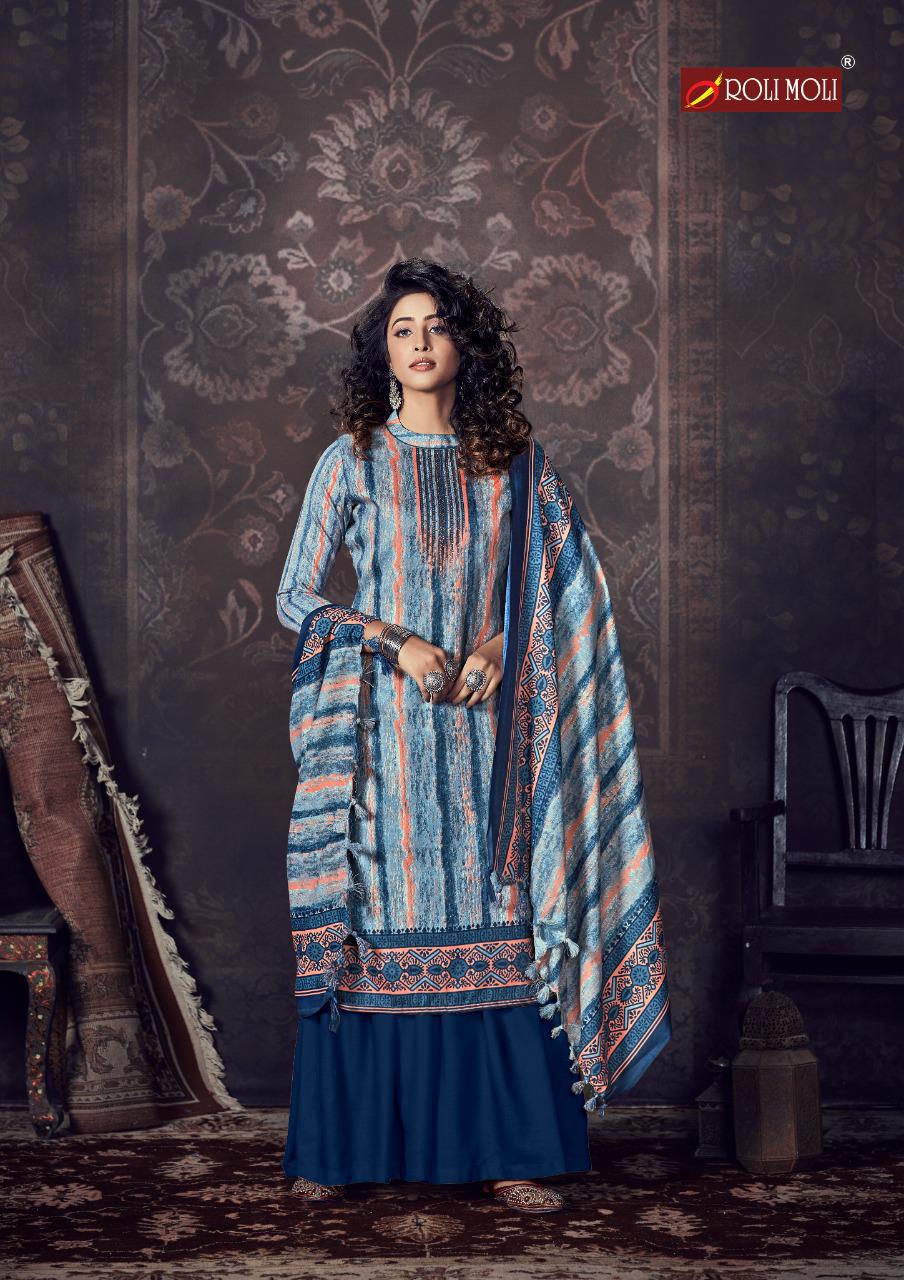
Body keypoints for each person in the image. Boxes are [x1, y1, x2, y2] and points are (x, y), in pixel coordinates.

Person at [276, 258, 671, 1214]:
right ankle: (345, 1148)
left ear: (467, 346)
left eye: (437, 327)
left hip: (496, 742)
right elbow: (295, 597)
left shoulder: (516, 464)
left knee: (504, 925)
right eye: (401, 329)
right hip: (381, 748)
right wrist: (396, 641)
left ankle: (513, 1150)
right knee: (378, 931)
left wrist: (499, 644)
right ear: (382, 352)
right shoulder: (352, 459)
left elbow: (560, 592)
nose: (419, 343)